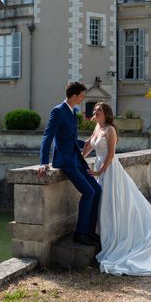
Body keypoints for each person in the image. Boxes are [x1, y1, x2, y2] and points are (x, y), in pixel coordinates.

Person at [82, 102, 151, 275]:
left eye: (99, 110)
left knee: (112, 202)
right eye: (95, 111)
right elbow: (89, 146)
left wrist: (100, 171)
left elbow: (111, 154)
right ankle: (108, 234)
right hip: (100, 168)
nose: (95, 112)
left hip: (110, 169)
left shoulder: (110, 130)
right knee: (105, 204)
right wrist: (79, 158)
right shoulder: (97, 128)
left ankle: (119, 237)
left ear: (106, 113)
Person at [38, 81, 101, 246]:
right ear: (74, 95)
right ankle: (80, 233)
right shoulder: (58, 111)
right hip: (65, 160)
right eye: (82, 96)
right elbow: (48, 136)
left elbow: (70, 138)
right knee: (88, 192)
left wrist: (87, 144)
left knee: (97, 189)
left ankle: (89, 231)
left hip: (76, 158)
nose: (83, 98)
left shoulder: (73, 112)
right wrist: (44, 162)